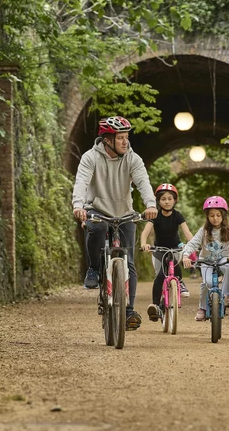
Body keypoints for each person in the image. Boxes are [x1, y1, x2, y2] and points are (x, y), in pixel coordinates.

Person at [72, 116, 158, 330]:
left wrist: (150, 204)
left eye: (126, 137)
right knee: (97, 228)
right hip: (97, 209)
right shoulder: (90, 157)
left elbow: (143, 182)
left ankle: (128, 309)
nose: (125, 142)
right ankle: (93, 268)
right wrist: (78, 205)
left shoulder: (133, 158)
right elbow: (81, 181)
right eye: (120, 137)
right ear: (107, 139)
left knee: (128, 262)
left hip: (124, 213)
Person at [182, 196, 229, 322]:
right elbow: (193, 243)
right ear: (207, 217)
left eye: (218, 215)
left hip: (223, 259)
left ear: (223, 216)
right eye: (211, 215)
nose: (215, 218)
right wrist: (185, 255)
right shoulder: (204, 231)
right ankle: (202, 308)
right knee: (207, 283)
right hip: (206, 261)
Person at [140, 183, 194, 322]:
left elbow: (187, 232)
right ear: (158, 201)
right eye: (163, 199)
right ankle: (155, 306)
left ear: (175, 200)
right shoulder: (155, 215)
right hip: (159, 250)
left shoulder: (177, 215)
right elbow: (145, 232)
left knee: (174, 261)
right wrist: (144, 244)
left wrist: (193, 244)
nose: (167, 201)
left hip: (175, 248)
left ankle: (180, 282)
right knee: (159, 276)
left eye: (170, 198)